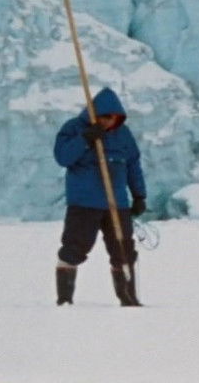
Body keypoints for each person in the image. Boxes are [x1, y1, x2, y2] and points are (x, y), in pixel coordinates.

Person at [53, 87, 147, 307]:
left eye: (114, 118)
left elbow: (133, 164)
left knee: (123, 250)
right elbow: (63, 157)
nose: (110, 121)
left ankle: (128, 297)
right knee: (75, 247)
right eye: (105, 117)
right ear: (95, 115)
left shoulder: (123, 134)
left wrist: (139, 195)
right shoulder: (73, 128)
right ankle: (65, 298)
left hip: (117, 204)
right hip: (84, 203)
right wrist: (85, 139)